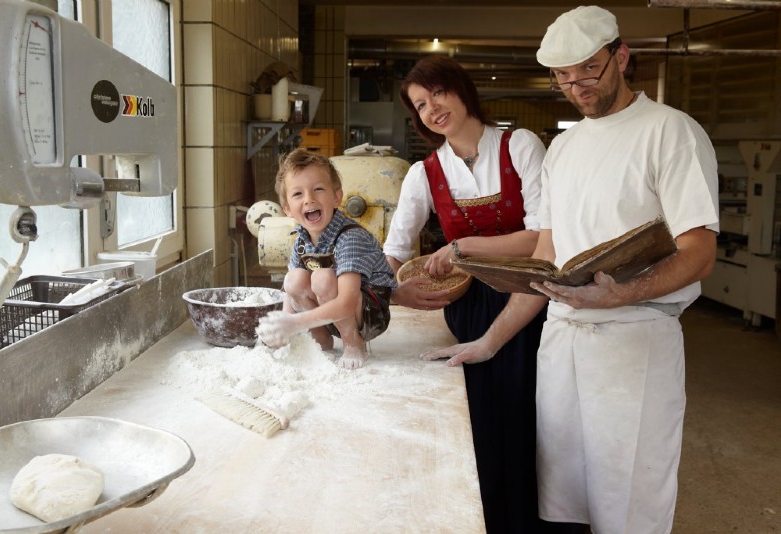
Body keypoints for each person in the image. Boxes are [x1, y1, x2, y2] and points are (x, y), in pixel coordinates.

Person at [423, 6, 720, 534]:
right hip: (563, 342)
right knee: (564, 501)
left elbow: (698, 252)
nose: (576, 85)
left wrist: (622, 293)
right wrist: (490, 342)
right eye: (562, 77)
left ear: (620, 57)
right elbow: (552, 261)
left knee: (627, 502)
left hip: (635, 342)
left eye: (588, 69)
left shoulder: (669, 131)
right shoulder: (563, 149)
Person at [384, 55, 558, 533]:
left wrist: (461, 246)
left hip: (531, 299)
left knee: (529, 414)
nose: (432, 108)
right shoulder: (425, 173)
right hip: (466, 308)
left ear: (461, 90)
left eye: (437, 93)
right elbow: (395, 251)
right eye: (420, 105)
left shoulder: (519, 146)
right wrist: (394, 295)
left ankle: (529, 521)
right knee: (475, 420)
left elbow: (544, 236)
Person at [256, 148, 396, 370]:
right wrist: (280, 329)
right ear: (287, 209)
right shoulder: (301, 239)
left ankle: (353, 343)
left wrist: (294, 323)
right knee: (293, 280)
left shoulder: (350, 237)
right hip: (332, 313)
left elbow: (348, 301)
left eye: (318, 189)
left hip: (370, 314)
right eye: (297, 194)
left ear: (336, 198)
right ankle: (321, 340)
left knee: (322, 278)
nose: (309, 199)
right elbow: (291, 293)